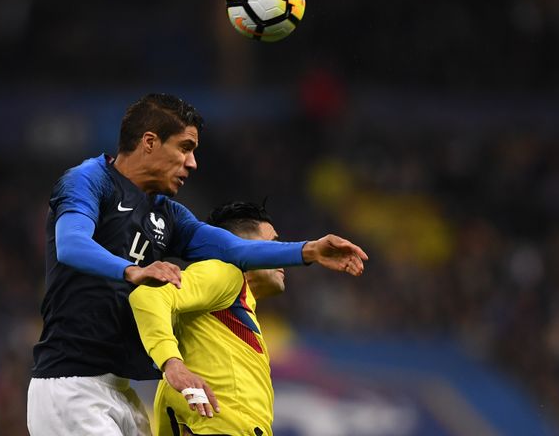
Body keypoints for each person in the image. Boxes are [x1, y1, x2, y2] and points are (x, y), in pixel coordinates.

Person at [26, 93, 368, 436]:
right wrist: (131, 270)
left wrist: (309, 250)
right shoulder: (88, 180)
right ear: (149, 142)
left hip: (119, 389)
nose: (192, 163)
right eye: (185, 148)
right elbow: (71, 244)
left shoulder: (167, 214)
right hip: (69, 384)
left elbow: (236, 250)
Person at [129, 201, 305, 436]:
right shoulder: (225, 273)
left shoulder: (231, 307)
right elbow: (150, 293)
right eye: (272, 246)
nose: (281, 257)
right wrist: (172, 362)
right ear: (241, 247)